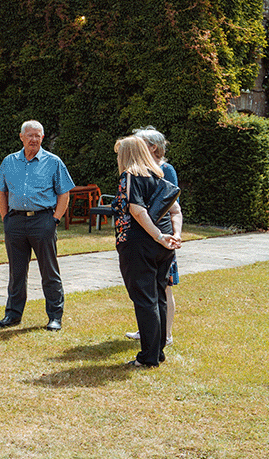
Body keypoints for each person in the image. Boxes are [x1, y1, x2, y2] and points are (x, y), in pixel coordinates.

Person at [0, 120, 75, 331]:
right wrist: (5, 218)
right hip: (15, 221)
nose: (34, 139)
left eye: (38, 135)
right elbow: (1, 191)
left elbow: (64, 193)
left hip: (43, 221)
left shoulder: (53, 162)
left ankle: (55, 316)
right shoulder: (9, 161)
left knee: (49, 271)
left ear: (42, 138)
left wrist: (55, 219)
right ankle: (12, 315)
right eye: (30, 135)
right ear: (21, 137)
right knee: (16, 272)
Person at [113, 135, 182, 368]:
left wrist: (159, 236)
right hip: (161, 246)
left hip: (139, 243)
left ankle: (148, 357)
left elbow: (138, 211)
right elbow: (175, 209)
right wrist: (172, 235)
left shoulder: (130, 176)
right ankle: (158, 352)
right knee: (159, 296)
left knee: (145, 299)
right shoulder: (157, 174)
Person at [125, 126, 179, 346]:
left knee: (164, 287)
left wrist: (173, 233)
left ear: (152, 147)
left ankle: (165, 334)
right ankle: (147, 330)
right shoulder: (137, 170)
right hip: (147, 237)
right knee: (148, 290)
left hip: (160, 237)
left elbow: (173, 204)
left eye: (139, 143)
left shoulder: (166, 169)